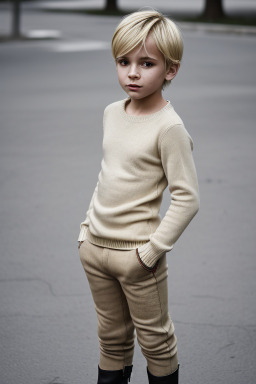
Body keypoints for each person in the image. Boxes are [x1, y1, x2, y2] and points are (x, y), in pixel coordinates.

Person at [78, 9, 199, 384]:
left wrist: (149, 253)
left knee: (156, 342)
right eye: (123, 61)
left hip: (137, 256)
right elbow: (108, 175)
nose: (132, 72)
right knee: (111, 340)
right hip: (95, 250)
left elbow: (187, 198)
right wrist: (86, 231)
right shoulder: (112, 113)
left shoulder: (169, 128)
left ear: (170, 70)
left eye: (146, 63)